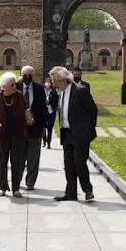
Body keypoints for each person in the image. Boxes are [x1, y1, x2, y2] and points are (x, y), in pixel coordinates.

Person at [49, 66, 97, 202]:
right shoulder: (62, 92)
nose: (53, 83)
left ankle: (88, 190)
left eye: (54, 81)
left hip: (80, 134)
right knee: (69, 164)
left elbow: (93, 111)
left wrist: (88, 130)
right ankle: (71, 192)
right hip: (67, 133)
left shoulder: (80, 91)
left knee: (79, 162)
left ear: (61, 79)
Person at [0, 72, 28, 198]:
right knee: (2, 162)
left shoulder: (19, 96)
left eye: (15, 84)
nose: (15, 86)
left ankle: (16, 188)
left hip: (17, 134)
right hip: (1, 136)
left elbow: (26, 109)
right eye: (12, 84)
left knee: (17, 162)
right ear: (4, 87)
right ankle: (3, 187)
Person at [16, 65, 47, 190]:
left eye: (30, 75)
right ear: (21, 75)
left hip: (35, 128)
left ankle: (30, 182)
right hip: (19, 129)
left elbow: (44, 108)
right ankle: (16, 180)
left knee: (33, 158)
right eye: (25, 75)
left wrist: (44, 126)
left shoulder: (39, 88)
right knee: (19, 157)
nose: (27, 77)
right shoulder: (16, 87)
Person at [43, 77, 58, 149]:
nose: (48, 84)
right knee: (43, 128)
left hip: (51, 112)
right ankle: (44, 141)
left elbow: (56, 102)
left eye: (49, 82)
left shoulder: (54, 92)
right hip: (44, 112)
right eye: (47, 82)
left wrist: (51, 104)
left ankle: (49, 143)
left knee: (49, 128)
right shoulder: (42, 91)